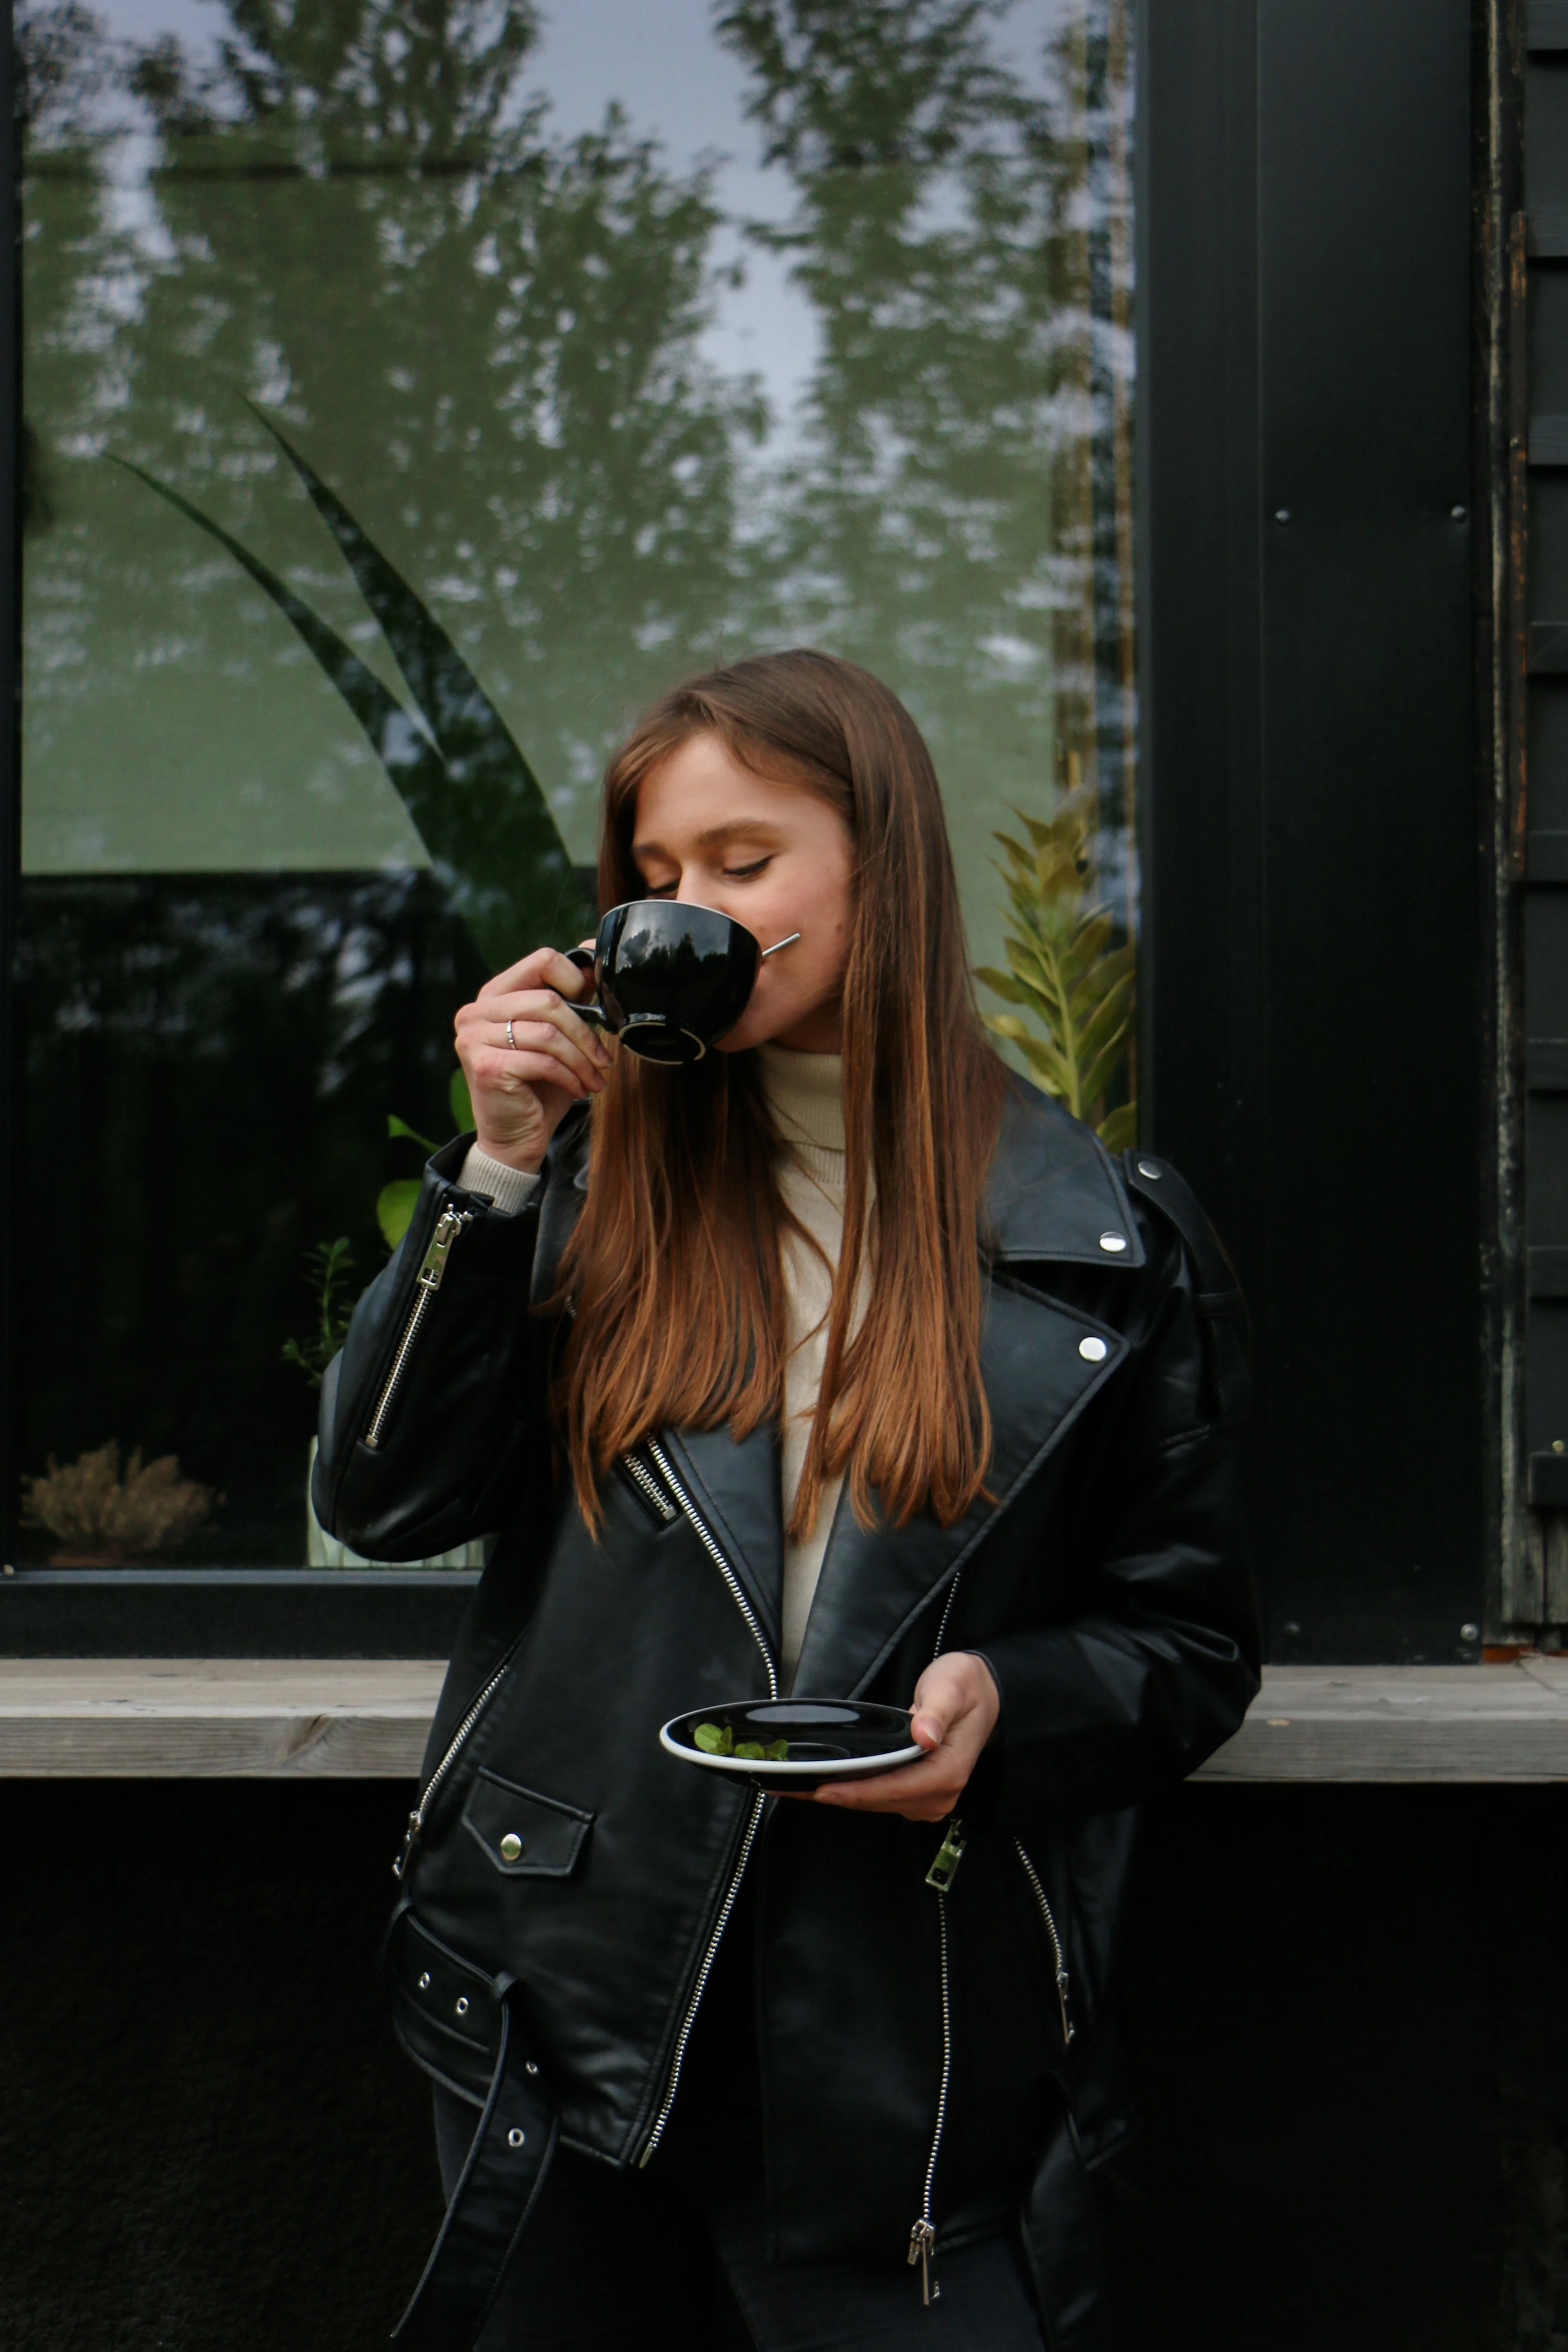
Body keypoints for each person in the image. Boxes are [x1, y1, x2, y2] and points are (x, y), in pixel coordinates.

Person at [314, 648, 1259, 2352]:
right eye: (656, 880)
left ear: (881, 874)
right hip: (563, 2011)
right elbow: (384, 1498)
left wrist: (1008, 1706)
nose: (688, 911)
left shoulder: (1104, 1244)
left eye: (743, 866)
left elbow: (1186, 1640)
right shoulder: (585, 1202)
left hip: (912, 2050)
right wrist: (498, 1168)